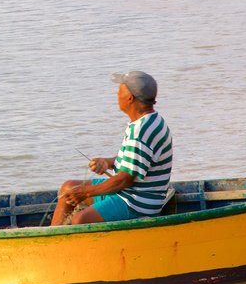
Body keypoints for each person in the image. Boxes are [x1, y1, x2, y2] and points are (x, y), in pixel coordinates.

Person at [50, 71, 173, 226]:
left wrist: (85, 192)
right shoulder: (148, 120)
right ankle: (54, 241)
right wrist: (107, 162)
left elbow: (124, 180)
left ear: (130, 98)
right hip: (126, 193)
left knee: (80, 219)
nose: (117, 95)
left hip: (136, 203)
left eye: (119, 91)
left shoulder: (142, 131)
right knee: (69, 188)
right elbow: (135, 160)